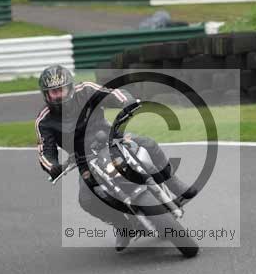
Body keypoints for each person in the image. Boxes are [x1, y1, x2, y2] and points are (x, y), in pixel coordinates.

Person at [35, 65, 197, 251]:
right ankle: (122, 226)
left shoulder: (86, 90)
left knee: (148, 144)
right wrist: (52, 166)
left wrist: (127, 102)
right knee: (87, 199)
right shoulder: (44, 120)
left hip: (109, 138)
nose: (58, 95)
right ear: (46, 94)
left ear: (70, 87)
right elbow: (45, 150)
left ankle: (173, 183)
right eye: (53, 92)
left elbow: (113, 94)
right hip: (82, 158)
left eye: (60, 89)